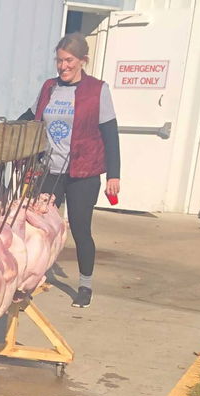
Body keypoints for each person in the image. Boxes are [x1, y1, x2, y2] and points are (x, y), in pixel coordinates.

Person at [20, 33, 121, 308]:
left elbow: (110, 133)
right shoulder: (49, 87)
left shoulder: (97, 90)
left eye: (69, 61)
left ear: (82, 61)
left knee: (79, 228)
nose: (63, 66)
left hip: (83, 172)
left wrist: (114, 173)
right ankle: (31, 277)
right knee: (36, 226)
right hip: (48, 169)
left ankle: (85, 285)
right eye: (59, 60)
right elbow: (29, 117)